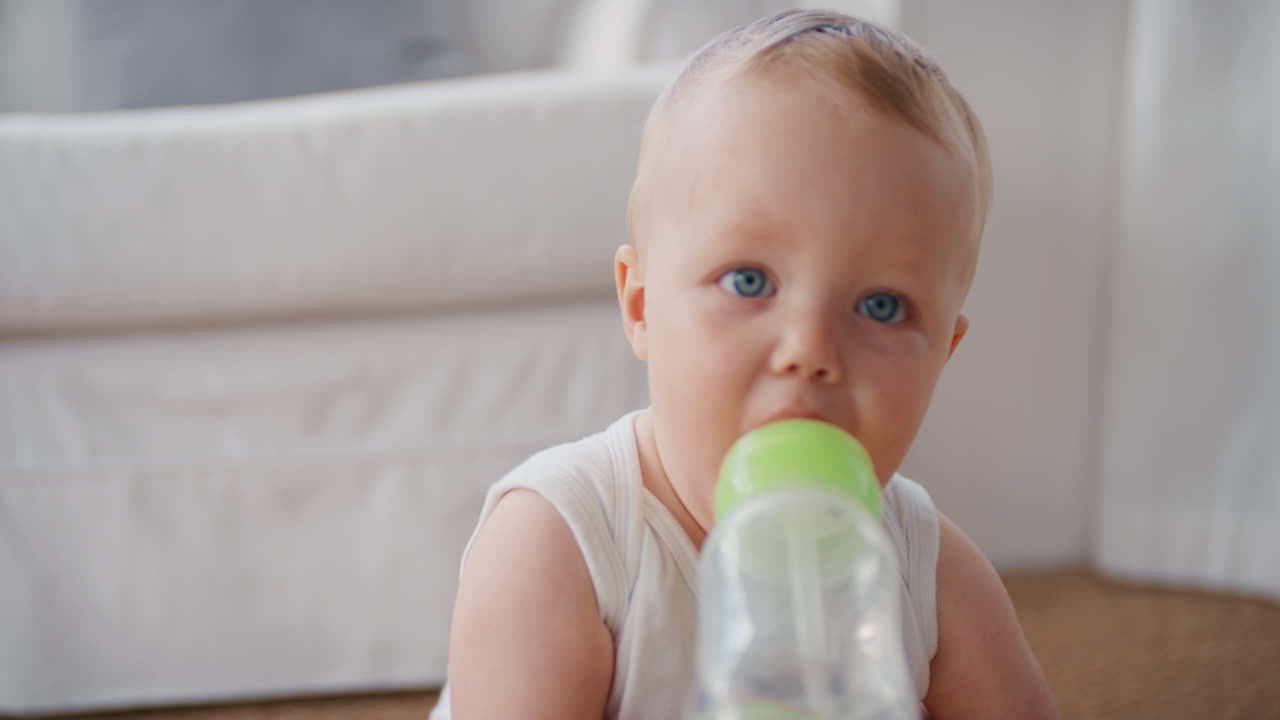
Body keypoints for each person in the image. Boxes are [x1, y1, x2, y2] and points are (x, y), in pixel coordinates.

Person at [431, 9, 1058, 720]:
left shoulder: (929, 571)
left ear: (942, 358)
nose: (810, 352)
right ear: (642, 308)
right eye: (750, 282)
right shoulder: (563, 540)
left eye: (882, 306)